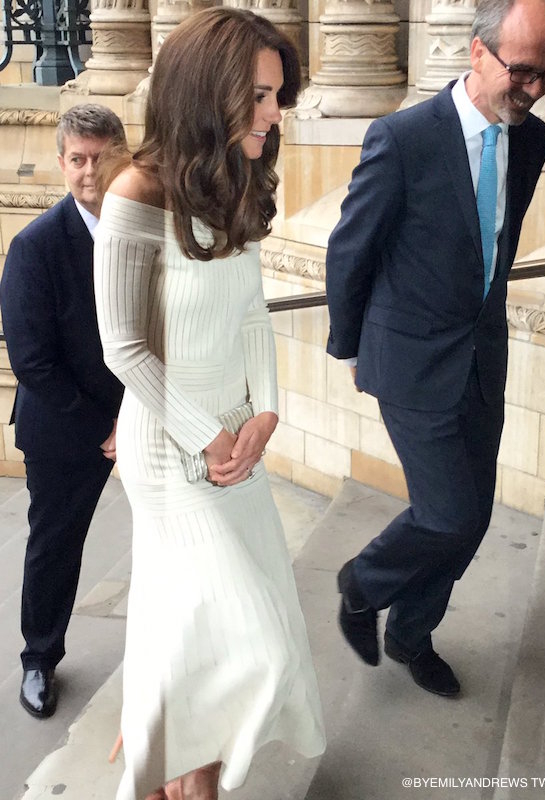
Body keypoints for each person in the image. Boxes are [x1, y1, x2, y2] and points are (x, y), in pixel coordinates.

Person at [93, 8, 325, 799]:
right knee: (254, 646)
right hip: (168, 455)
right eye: (261, 95)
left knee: (189, 644)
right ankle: (164, 755)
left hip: (237, 446)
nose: (275, 112)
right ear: (208, 91)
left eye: (278, 94)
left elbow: (253, 311)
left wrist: (266, 414)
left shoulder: (238, 178)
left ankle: (174, 771)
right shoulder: (135, 191)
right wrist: (206, 438)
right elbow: (122, 345)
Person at [326, 0, 545, 697]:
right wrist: (351, 348)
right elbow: (351, 250)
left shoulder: (533, 137)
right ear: (477, 52)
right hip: (408, 360)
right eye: (523, 72)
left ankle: (410, 634)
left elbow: (493, 240)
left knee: (474, 517)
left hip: (481, 357)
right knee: (447, 513)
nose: (535, 89)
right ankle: (362, 583)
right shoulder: (402, 138)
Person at [0, 104, 126, 718]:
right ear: (60, 163)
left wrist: (139, 415)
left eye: (101, 157)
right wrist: (106, 427)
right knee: (56, 545)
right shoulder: (34, 247)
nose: (89, 171)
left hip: (141, 416)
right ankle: (38, 660)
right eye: (77, 159)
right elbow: (33, 363)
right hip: (66, 429)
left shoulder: (145, 229)